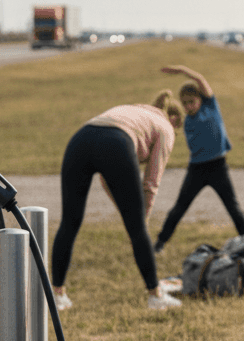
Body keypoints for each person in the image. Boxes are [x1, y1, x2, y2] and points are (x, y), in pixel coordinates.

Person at [51, 90, 184, 312]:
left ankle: (57, 295)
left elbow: (107, 177)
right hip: (116, 144)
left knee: (70, 222)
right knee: (138, 230)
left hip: (80, 140)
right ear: (174, 119)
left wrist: (128, 210)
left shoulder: (136, 111)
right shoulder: (166, 128)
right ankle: (155, 295)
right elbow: (151, 183)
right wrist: (140, 219)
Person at [153, 64, 244, 253]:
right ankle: (159, 243)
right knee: (180, 208)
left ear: (200, 99)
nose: (189, 106)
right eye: (185, 103)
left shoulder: (211, 106)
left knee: (233, 207)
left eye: (192, 101)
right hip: (196, 170)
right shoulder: (186, 119)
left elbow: (200, 80)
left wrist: (181, 70)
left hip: (218, 167)